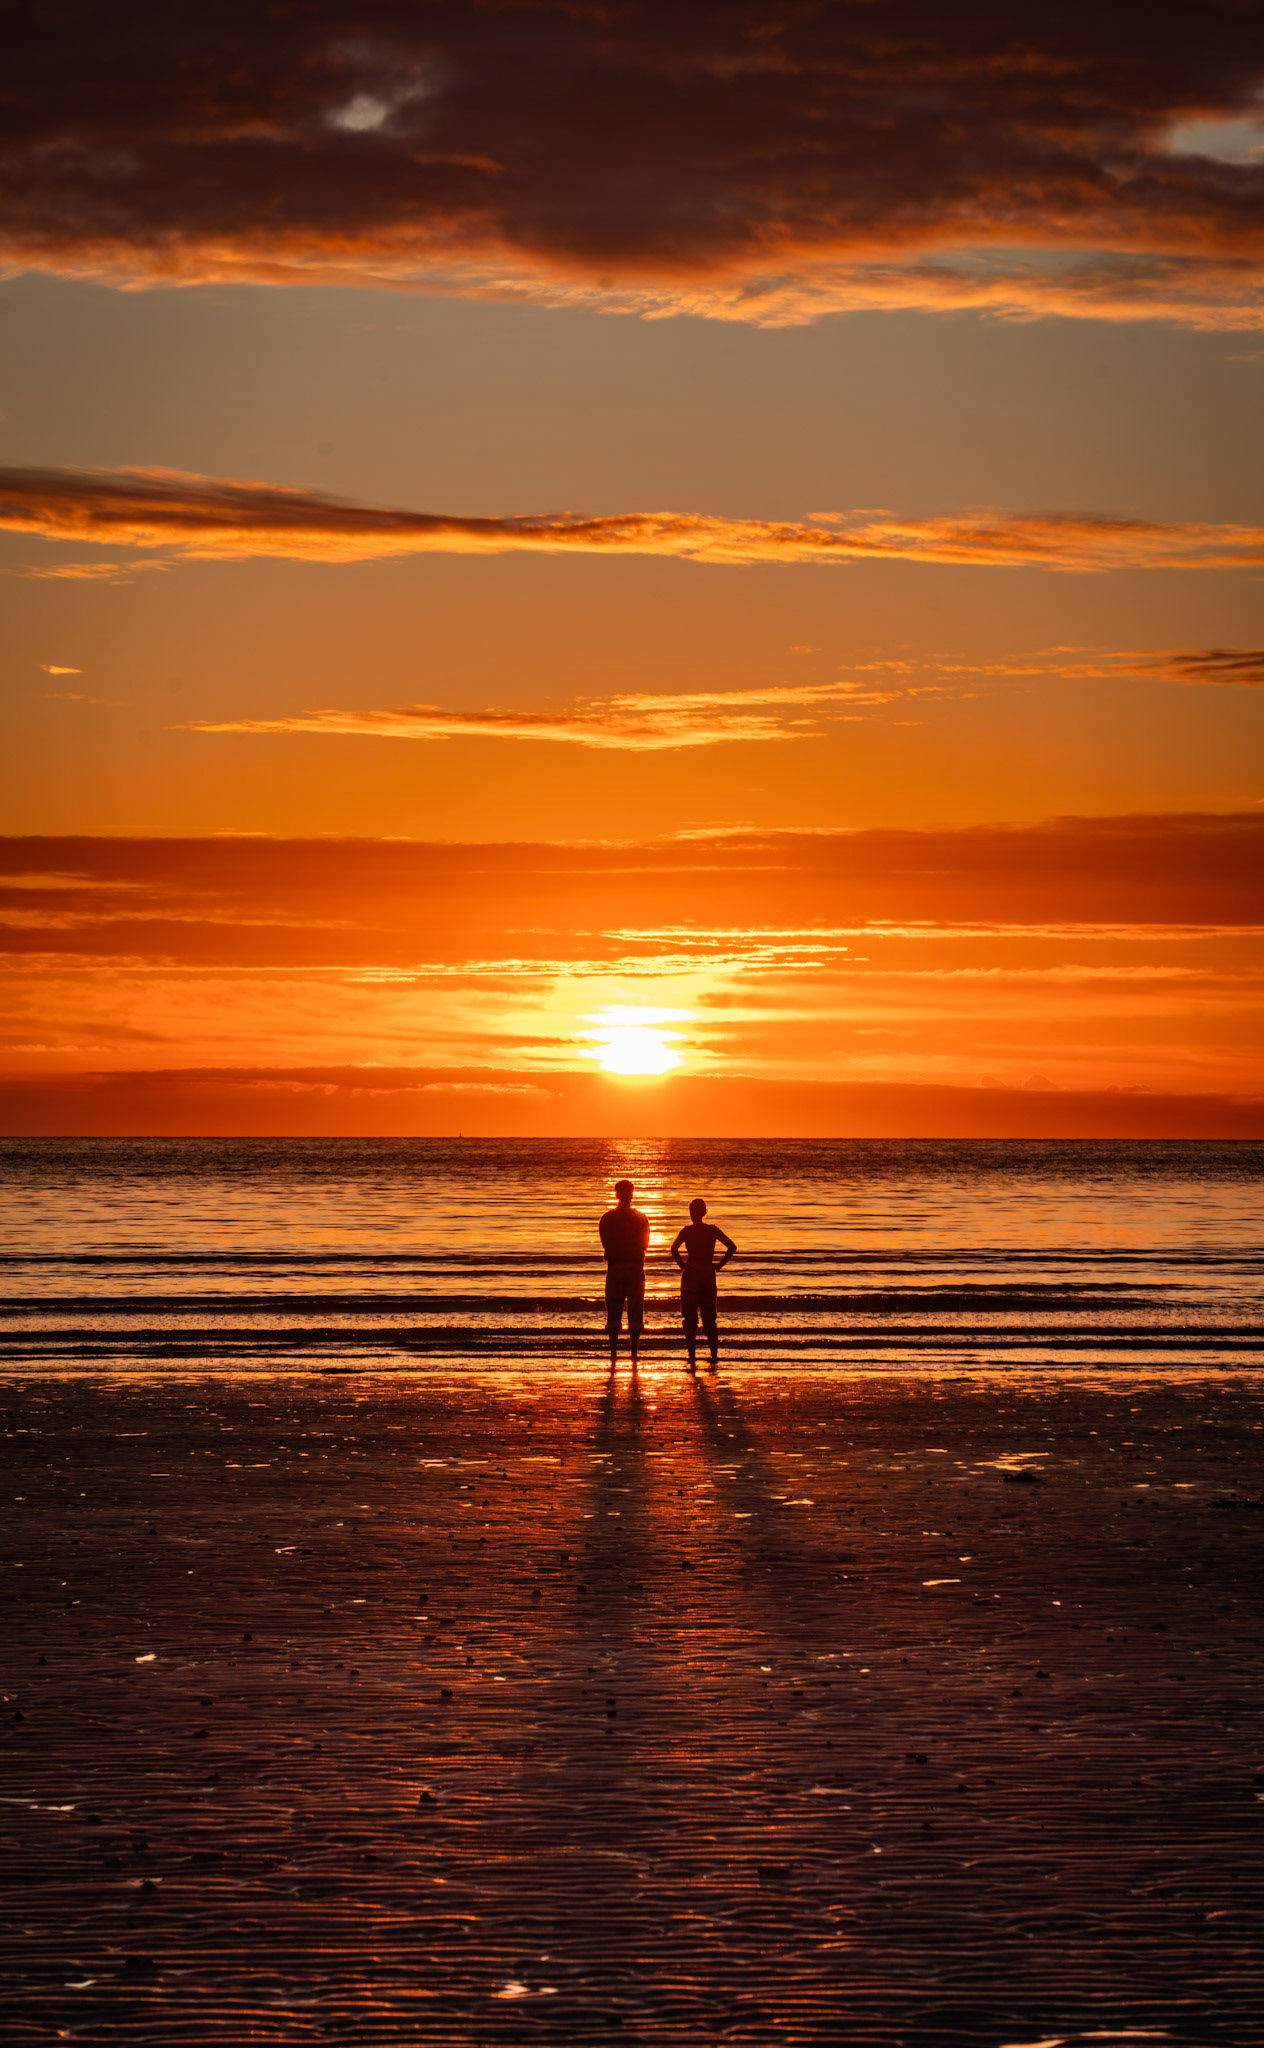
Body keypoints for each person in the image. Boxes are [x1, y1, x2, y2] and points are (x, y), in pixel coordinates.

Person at [670, 1198, 736, 1373]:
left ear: (691, 1213)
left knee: (689, 1317)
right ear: (705, 1213)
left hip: (691, 1272)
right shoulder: (712, 1230)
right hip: (708, 1273)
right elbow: (732, 1247)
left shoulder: (686, 1231)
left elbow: (673, 1249)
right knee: (709, 1317)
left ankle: (692, 1356)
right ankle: (713, 1355)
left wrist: (682, 1265)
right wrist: (719, 1265)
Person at [598, 1178, 650, 1367]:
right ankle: (634, 1353)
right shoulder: (641, 1217)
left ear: (616, 1194)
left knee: (613, 1309)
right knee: (635, 1309)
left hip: (616, 1266)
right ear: (631, 1194)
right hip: (635, 1266)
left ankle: (613, 1353)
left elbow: (605, 1244)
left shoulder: (607, 1218)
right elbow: (645, 1244)